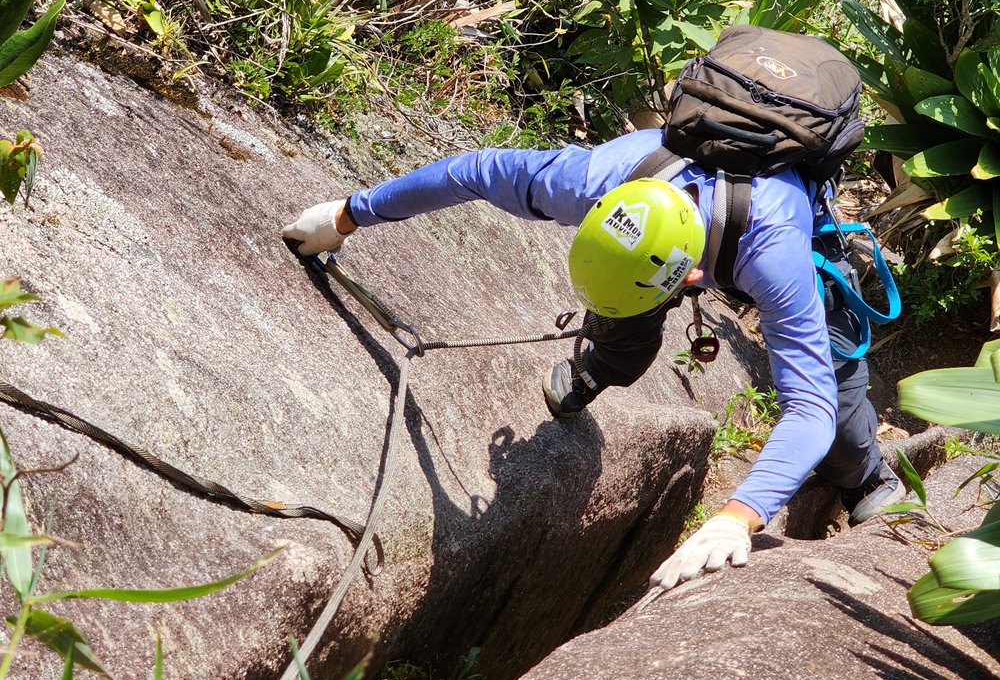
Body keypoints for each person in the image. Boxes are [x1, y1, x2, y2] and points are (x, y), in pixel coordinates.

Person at [282, 129, 902, 590]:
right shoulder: (588, 182)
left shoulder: (775, 258)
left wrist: (737, 518)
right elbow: (472, 171)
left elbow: (810, 406)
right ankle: (601, 367)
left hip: (789, 233)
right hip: (677, 230)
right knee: (622, 321)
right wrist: (347, 213)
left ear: (692, 276)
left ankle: (866, 477)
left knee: (840, 415)